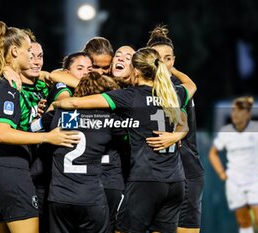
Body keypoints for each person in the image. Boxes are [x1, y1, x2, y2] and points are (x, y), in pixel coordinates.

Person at [51, 47, 190, 233]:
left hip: (146, 179)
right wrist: (180, 133)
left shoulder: (131, 96)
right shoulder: (173, 93)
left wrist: (56, 104)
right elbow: (191, 86)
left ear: (137, 71)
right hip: (176, 180)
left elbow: (75, 103)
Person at [0, 21, 80, 233]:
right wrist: (49, 137)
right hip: (10, 168)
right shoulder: (10, 85)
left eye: (38, 54)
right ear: (15, 52)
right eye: (27, 51)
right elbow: (3, 134)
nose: (32, 57)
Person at [36, 71, 123, 232]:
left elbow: (32, 128)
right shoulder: (109, 119)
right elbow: (131, 135)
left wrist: (49, 108)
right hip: (91, 197)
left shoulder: (60, 114)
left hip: (59, 198)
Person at [146, 24, 203, 233]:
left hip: (187, 170)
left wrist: (178, 134)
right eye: (157, 58)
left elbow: (183, 121)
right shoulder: (142, 89)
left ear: (174, 60)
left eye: (168, 58)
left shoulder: (179, 90)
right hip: (155, 173)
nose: (163, 62)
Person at [209, 96, 258, 233]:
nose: (235, 114)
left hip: (256, 180)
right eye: (233, 110)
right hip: (234, 182)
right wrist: (221, 173)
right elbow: (213, 153)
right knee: (244, 221)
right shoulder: (226, 132)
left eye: (239, 111)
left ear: (248, 114)